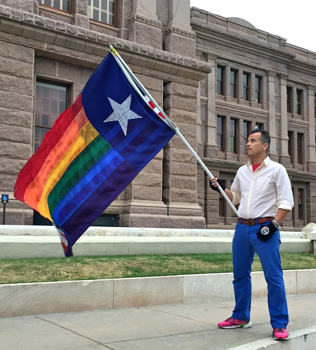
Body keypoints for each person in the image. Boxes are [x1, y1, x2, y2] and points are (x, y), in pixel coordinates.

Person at [210, 129, 294, 341]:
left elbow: (286, 202)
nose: (247, 144)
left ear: (264, 146)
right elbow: (236, 197)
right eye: (247, 140)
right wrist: (221, 188)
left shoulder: (277, 170)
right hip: (242, 229)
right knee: (240, 275)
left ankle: (279, 324)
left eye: (253, 140)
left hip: (265, 228)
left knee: (273, 278)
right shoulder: (242, 171)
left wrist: (273, 225)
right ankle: (240, 317)